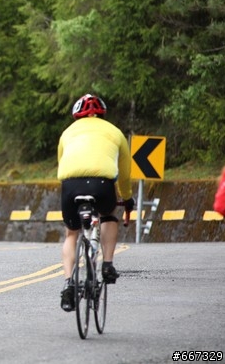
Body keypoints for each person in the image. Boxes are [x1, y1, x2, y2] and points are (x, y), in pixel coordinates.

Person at [57, 94, 135, 312]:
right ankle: (107, 264)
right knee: (108, 216)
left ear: (76, 115)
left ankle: (68, 283)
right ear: (102, 114)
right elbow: (125, 173)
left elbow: (62, 163)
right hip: (102, 184)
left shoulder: (67, 133)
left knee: (71, 234)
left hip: (71, 185)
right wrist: (127, 197)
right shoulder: (115, 132)